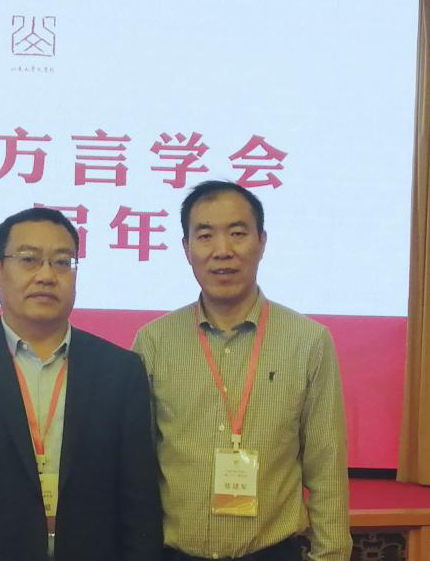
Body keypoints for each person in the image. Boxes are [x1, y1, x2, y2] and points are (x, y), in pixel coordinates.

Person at [0, 206, 162, 561]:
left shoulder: (120, 371)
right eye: (29, 259)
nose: (46, 275)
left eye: (62, 262)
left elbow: (139, 508)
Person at [132, 180, 351, 561]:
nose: (223, 251)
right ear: (186, 249)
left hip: (271, 552)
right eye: (205, 236)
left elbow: (326, 466)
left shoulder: (308, 341)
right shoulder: (153, 342)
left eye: (237, 233)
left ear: (261, 242)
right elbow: (135, 469)